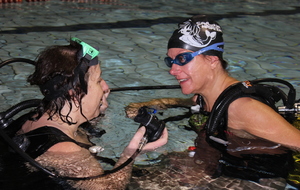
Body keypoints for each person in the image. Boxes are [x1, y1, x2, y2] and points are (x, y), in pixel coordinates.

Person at [126, 15, 300, 188]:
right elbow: (181, 102)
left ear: (212, 60)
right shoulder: (202, 98)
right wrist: (147, 106)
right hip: (222, 167)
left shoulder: (243, 108)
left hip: (255, 181)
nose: (172, 70)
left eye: (182, 59)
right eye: (170, 61)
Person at [0, 37, 167, 190]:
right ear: (75, 92)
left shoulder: (32, 117)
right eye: (99, 80)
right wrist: (130, 155)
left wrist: (97, 108)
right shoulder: (66, 153)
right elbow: (110, 188)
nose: (105, 86)